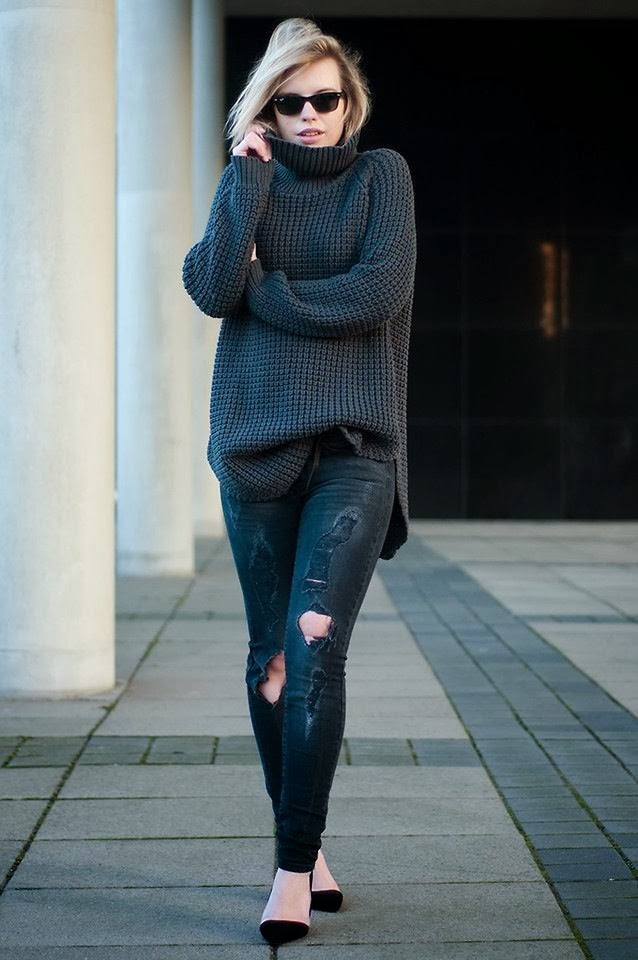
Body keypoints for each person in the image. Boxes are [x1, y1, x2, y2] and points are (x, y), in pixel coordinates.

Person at [183, 17, 416, 946]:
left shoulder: (382, 177)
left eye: (326, 99)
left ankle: (288, 872)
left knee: (315, 645)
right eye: (291, 102)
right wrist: (245, 176)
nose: (312, 115)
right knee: (272, 658)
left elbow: (377, 293)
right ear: (267, 109)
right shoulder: (250, 180)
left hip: (354, 448)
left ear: (349, 103)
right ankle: (306, 845)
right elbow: (208, 286)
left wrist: (267, 291)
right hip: (255, 448)